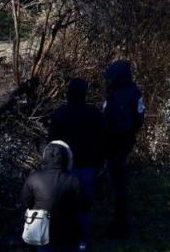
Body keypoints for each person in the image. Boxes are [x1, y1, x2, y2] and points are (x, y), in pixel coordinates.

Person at [49, 78, 105, 250]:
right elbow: (103, 141)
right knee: (85, 207)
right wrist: (100, 162)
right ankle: (83, 241)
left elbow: (51, 143)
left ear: (68, 93)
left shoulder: (59, 114)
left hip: (65, 169)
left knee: (64, 206)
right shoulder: (94, 113)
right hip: (88, 167)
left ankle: (66, 240)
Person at [102, 59, 145, 237]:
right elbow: (140, 116)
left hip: (116, 144)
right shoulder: (134, 92)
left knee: (117, 183)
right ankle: (120, 220)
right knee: (118, 182)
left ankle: (121, 223)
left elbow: (107, 119)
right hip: (124, 142)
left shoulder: (118, 94)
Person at [21, 141, 81, 252]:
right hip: (67, 231)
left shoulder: (33, 177)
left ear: (45, 158)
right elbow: (81, 204)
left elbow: (26, 201)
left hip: (41, 230)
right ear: (66, 159)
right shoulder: (74, 179)